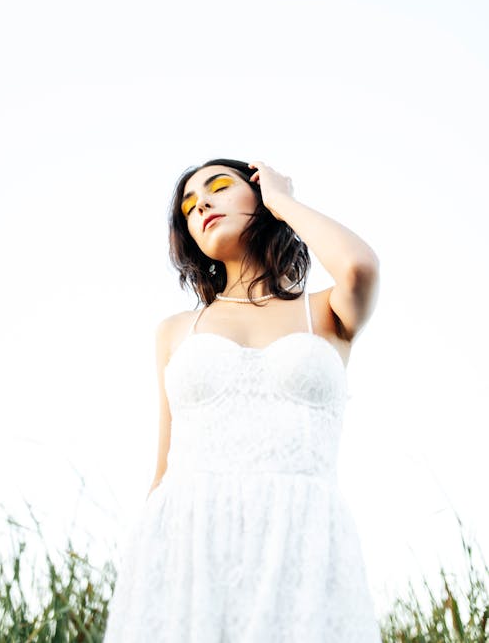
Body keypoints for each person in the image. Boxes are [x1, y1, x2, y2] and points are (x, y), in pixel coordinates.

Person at [103, 157, 382, 642]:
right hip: (190, 547)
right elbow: (164, 471)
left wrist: (283, 200)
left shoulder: (323, 312)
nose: (202, 204)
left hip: (302, 539)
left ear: (258, 193)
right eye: (189, 207)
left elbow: (360, 266)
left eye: (218, 187)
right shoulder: (175, 331)